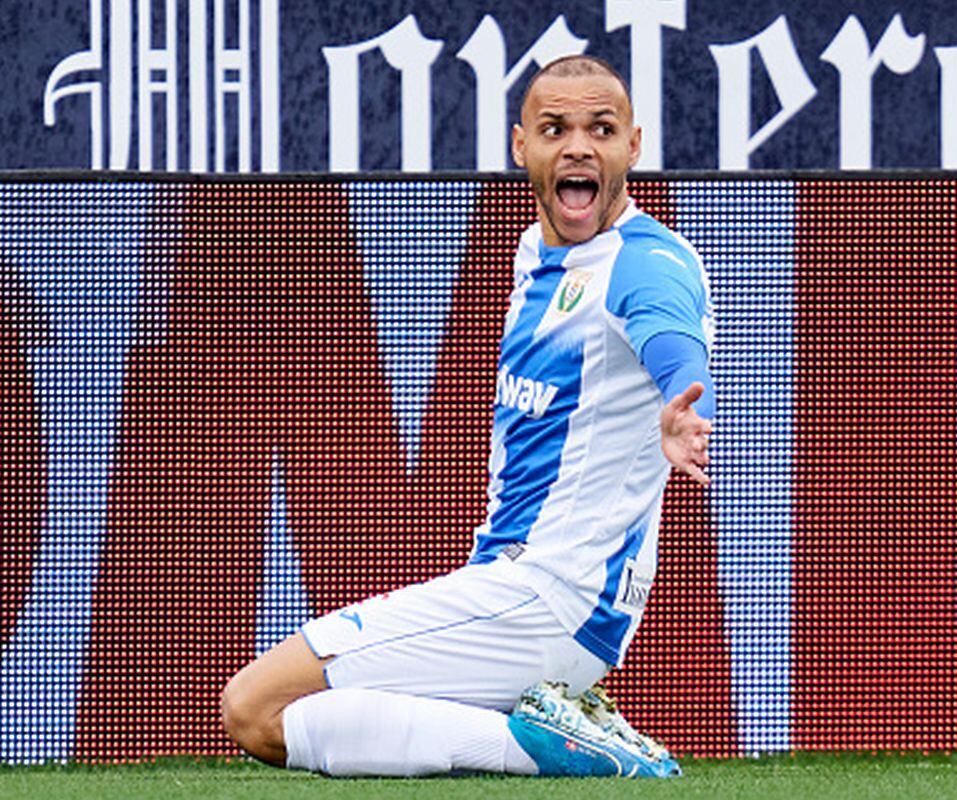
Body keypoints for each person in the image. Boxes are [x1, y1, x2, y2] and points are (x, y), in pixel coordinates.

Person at [220, 53, 715, 779]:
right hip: (526, 591)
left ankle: (566, 753)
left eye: (601, 128)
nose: (578, 145)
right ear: (523, 147)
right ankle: (557, 722)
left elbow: (670, 335)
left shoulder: (644, 261)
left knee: (253, 709)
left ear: (632, 147)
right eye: (555, 128)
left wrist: (680, 400)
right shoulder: (535, 252)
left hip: (549, 598)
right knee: (297, 717)